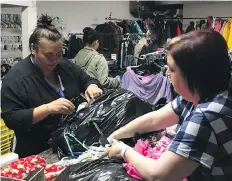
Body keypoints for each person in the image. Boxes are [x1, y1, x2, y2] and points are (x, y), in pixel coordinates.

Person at [107, 30, 232, 181]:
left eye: (172, 69)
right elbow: (154, 120)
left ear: (193, 75)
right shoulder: (206, 92)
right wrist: (114, 136)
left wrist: (123, 151)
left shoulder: (207, 116)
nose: (166, 73)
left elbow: (158, 176)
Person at [1, 15, 103, 158]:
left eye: (59, 54)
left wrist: (91, 86)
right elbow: (11, 118)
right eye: (48, 55)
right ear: (33, 49)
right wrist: (47, 109)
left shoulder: (65, 66)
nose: (55, 60)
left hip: (70, 143)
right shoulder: (17, 78)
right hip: (36, 151)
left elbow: (86, 79)